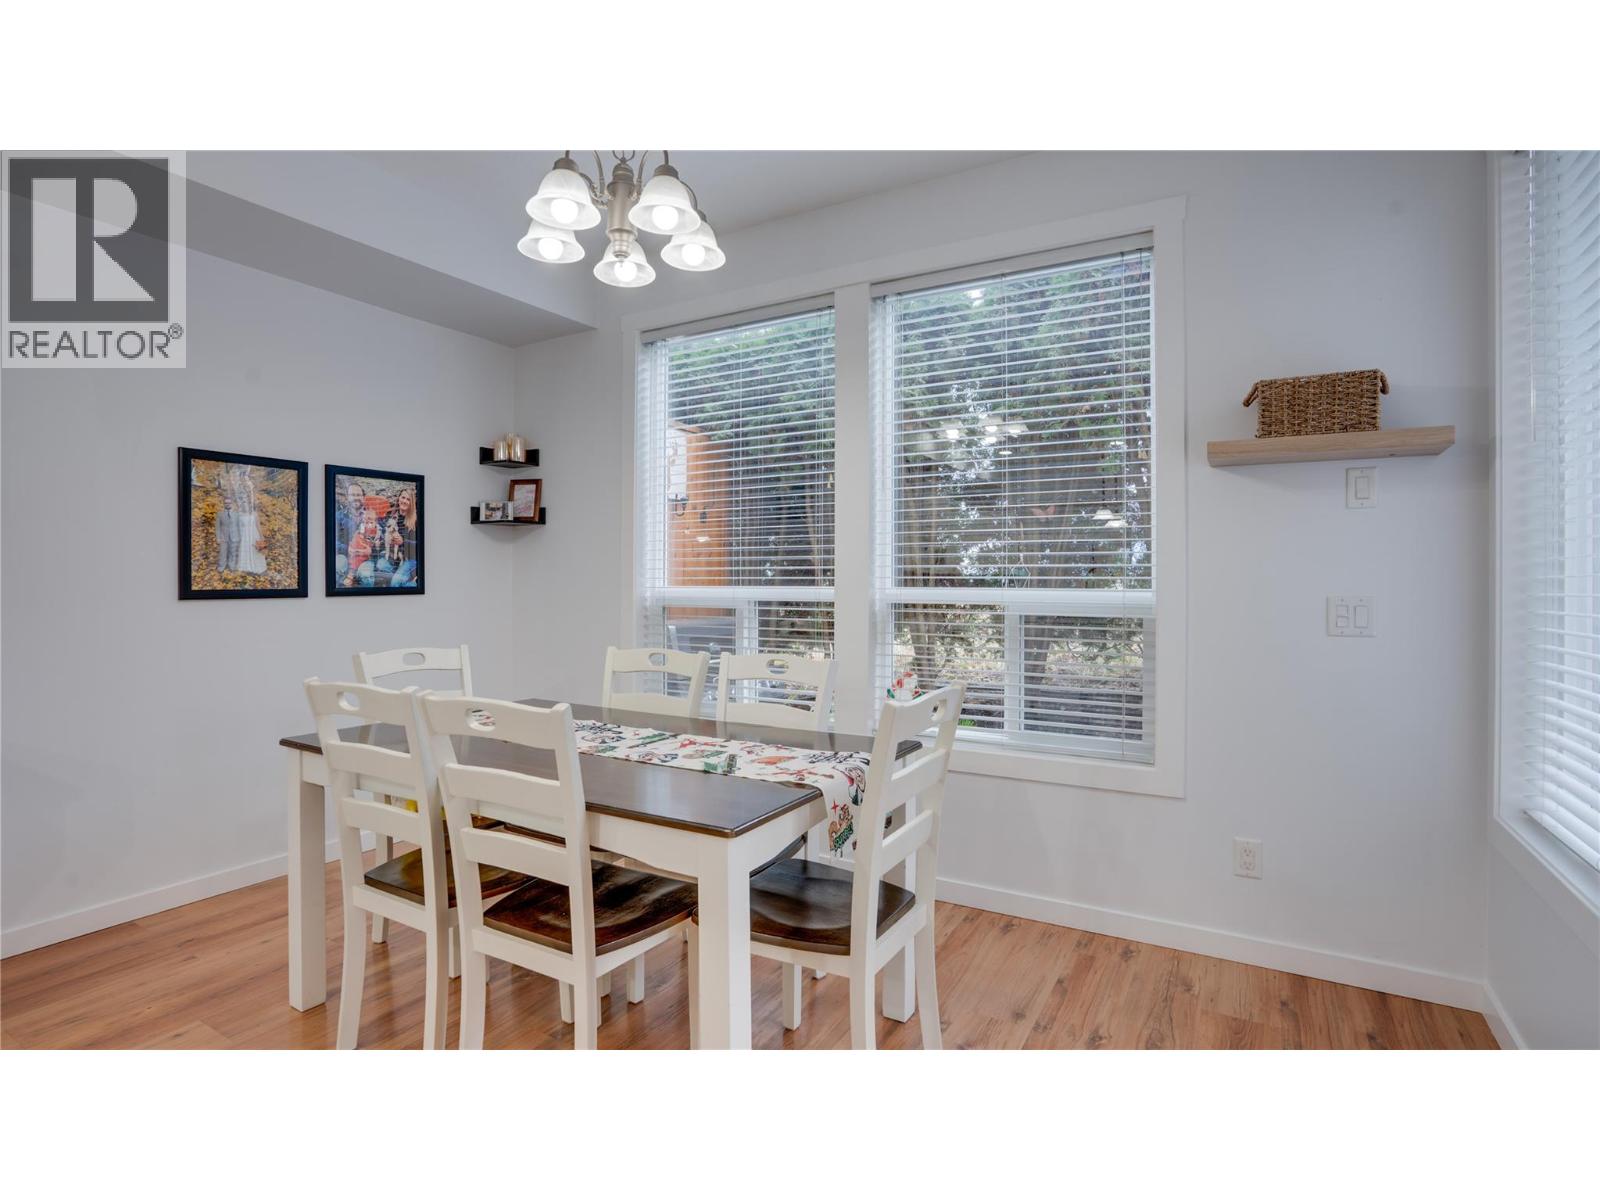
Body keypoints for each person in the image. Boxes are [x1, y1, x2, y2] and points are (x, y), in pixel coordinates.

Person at [386, 485, 420, 587]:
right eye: (403, 497)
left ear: (412, 503)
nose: (404, 501)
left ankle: (412, 582)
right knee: (380, 565)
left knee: (395, 582)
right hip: (394, 555)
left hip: (410, 558)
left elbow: (420, 545)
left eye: (408, 499)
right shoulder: (391, 515)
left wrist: (403, 541)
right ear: (399, 498)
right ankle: (409, 581)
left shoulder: (415, 520)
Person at [334, 480, 366, 582]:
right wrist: (347, 548)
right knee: (338, 567)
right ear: (347, 497)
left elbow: (381, 537)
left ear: (363, 497)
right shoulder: (338, 516)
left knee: (366, 576)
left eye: (358, 495)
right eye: (352, 495)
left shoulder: (371, 516)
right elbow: (332, 541)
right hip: (343, 555)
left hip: (364, 558)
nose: (356, 497)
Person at [215, 493, 240, 572]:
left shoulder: (236, 514)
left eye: (229, 503)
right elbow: (217, 527)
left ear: (232, 504)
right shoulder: (220, 514)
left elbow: (239, 526)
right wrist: (218, 538)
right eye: (226, 503)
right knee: (223, 553)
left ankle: (232, 566)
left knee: (233, 552)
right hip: (223, 537)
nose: (228, 504)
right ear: (224, 504)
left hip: (234, 536)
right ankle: (221, 566)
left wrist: (239, 537)